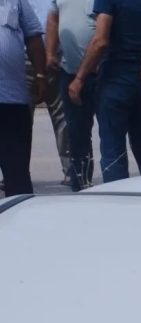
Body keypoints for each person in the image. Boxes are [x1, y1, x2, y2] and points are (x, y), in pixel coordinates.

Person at [70, 0, 141, 183]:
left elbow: (100, 41)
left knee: (113, 151)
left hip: (116, 81)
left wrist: (80, 78)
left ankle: (117, 203)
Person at [47, 0, 95, 189]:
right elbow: (53, 18)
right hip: (69, 71)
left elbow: (105, 32)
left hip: (101, 72)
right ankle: (80, 184)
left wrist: (82, 77)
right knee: (76, 133)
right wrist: (50, 53)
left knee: (110, 135)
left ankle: (115, 186)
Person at [1, 0, 47, 196]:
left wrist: (40, 75)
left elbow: (34, 36)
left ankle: (18, 224)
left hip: (12, 101)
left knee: (17, 175)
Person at [28, 0, 69, 187]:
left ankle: (71, 171)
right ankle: (16, 171)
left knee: (63, 120)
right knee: (19, 122)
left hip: (56, 61)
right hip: (24, 63)